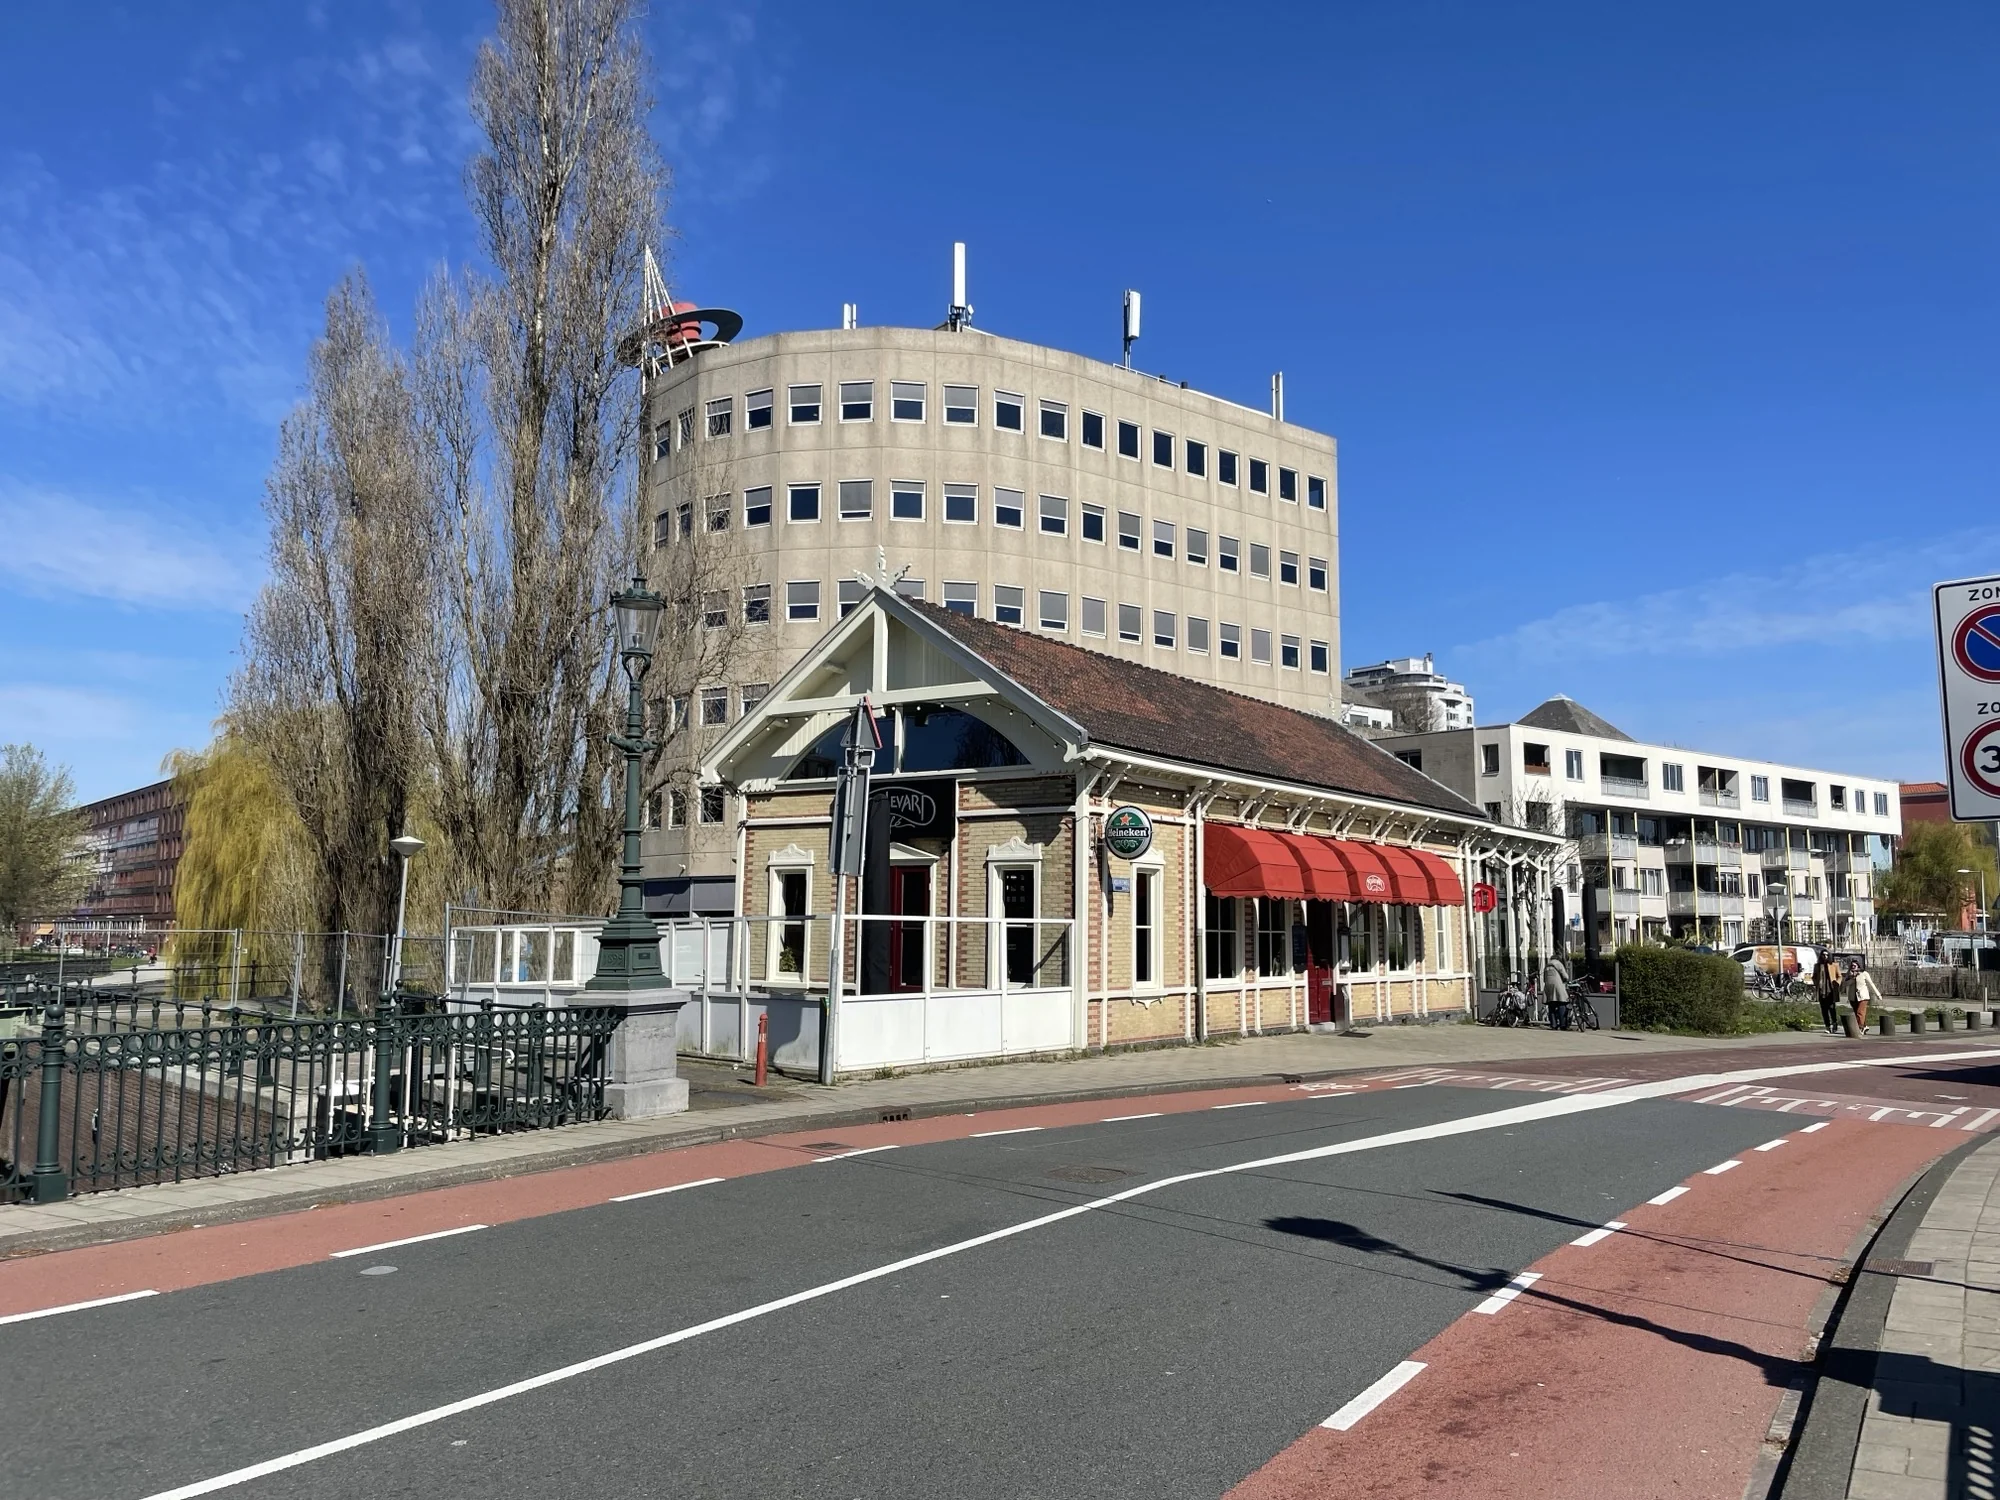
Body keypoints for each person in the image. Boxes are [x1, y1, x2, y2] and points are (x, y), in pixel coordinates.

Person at [1813, 950, 1843, 1034]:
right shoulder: (1817, 966)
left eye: (1826, 955)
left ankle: (1834, 1023)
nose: (1825, 957)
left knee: (1832, 1008)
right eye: (1823, 955)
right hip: (1822, 990)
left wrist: (1837, 983)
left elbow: (1839, 976)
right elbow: (1814, 976)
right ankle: (1827, 1026)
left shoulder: (1833, 965)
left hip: (1831, 990)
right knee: (1824, 1009)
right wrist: (1816, 983)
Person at [1542, 953, 1573, 1027]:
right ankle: (1563, 1024)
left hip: (1548, 986)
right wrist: (1566, 979)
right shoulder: (1558, 964)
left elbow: (1544, 979)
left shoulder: (1546, 966)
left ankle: (1553, 1024)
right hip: (1558, 986)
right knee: (1561, 1003)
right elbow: (1565, 976)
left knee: (1551, 1005)